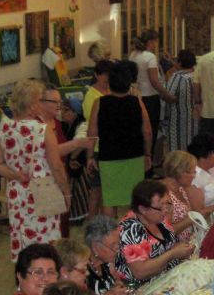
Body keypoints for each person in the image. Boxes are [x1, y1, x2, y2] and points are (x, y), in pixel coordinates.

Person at [0, 79, 70, 262]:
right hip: (43, 191)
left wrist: (15, 175)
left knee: (23, 242)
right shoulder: (42, 130)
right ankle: (45, 282)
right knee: (45, 243)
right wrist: (66, 193)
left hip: (17, 193)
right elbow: (56, 166)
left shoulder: (5, 127)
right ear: (34, 104)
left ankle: (24, 282)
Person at [87, 61, 153, 217]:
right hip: (134, 155)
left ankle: (111, 235)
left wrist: (90, 156)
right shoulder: (137, 102)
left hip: (108, 157)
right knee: (136, 199)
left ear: (110, 83)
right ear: (129, 84)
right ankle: (135, 234)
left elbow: (91, 132)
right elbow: (147, 131)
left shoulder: (100, 103)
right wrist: (148, 154)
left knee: (109, 199)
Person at [40, 84, 96, 237]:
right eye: (54, 102)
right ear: (40, 102)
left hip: (60, 177)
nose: (59, 106)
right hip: (47, 182)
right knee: (50, 229)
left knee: (62, 227)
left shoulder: (55, 122)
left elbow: (57, 150)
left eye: (60, 102)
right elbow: (50, 154)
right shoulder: (39, 126)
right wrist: (77, 144)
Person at [117, 180, 195, 288]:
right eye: (160, 207)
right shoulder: (130, 229)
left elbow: (169, 242)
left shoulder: (158, 217)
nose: (165, 210)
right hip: (145, 287)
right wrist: (172, 254)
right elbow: (140, 272)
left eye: (166, 203)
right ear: (143, 209)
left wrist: (181, 248)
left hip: (169, 275)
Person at [129, 30, 176, 165]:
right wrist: (167, 95)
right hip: (149, 98)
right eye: (156, 41)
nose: (156, 44)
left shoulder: (133, 54)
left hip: (137, 96)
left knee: (140, 131)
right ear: (151, 41)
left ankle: (139, 162)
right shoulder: (149, 57)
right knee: (151, 131)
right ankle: (149, 163)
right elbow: (154, 81)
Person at [83, 60, 112, 219]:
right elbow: (92, 125)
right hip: (96, 148)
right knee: (96, 191)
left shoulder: (111, 92)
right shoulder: (92, 96)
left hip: (110, 146)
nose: (107, 78)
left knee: (107, 192)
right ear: (96, 75)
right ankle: (92, 223)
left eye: (109, 74)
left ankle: (104, 224)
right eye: (104, 74)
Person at [84, 215, 131, 295]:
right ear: (95, 247)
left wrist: (118, 288)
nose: (118, 249)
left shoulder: (107, 263)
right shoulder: (82, 271)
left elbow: (117, 285)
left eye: (118, 243)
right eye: (112, 245)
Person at [60, 98, 90, 223]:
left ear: (74, 112)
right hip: (72, 164)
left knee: (77, 192)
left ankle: (78, 215)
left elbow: (81, 143)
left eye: (65, 110)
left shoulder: (82, 124)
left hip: (79, 166)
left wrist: (72, 157)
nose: (62, 113)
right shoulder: (67, 125)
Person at [186, 133, 214, 217]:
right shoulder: (193, 177)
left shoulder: (211, 169)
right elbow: (198, 213)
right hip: (209, 222)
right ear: (205, 154)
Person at [160, 151, 199, 242]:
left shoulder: (180, 188)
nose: (194, 176)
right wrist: (191, 220)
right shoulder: (163, 193)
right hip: (175, 249)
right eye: (192, 172)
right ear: (180, 172)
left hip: (187, 243)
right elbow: (164, 232)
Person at [166, 49, 198, 152]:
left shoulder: (178, 77)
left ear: (179, 62)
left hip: (179, 120)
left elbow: (169, 96)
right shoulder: (197, 76)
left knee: (178, 149)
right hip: (195, 119)